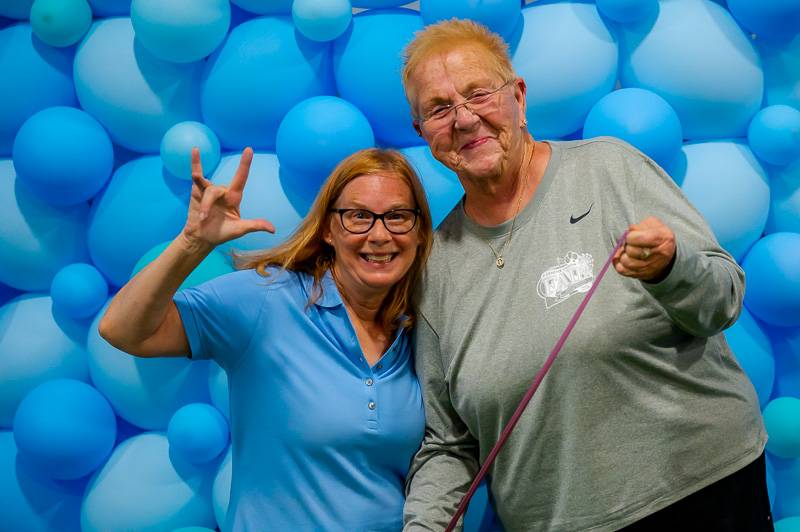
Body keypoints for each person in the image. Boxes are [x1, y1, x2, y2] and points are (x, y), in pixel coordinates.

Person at [400, 19, 770, 531]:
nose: (464, 120)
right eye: (439, 109)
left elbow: (723, 298)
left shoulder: (610, 169)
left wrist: (671, 267)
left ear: (519, 97)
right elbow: (451, 441)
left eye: (479, 93)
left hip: (703, 493)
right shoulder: (434, 269)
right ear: (421, 133)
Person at [99, 147, 433, 531]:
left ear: (419, 230)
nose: (379, 234)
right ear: (328, 228)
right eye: (358, 216)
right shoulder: (268, 300)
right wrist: (192, 242)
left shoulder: (418, 330)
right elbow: (121, 330)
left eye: (398, 216)